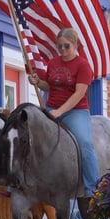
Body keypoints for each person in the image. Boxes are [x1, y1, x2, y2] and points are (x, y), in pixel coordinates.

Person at [28, 28, 99, 198]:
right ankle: (21, 183)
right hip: (52, 108)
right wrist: (38, 82)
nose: (63, 50)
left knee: (84, 143)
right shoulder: (53, 63)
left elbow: (79, 94)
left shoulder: (83, 66)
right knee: (28, 136)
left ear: (75, 45)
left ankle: (93, 188)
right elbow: (50, 86)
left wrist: (59, 112)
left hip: (76, 111)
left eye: (66, 46)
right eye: (59, 47)